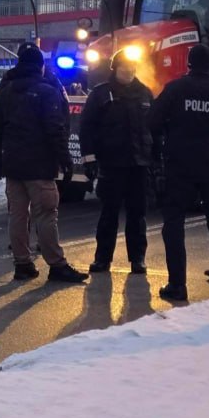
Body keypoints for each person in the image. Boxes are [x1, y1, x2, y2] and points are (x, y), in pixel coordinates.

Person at [0, 43, 88, 283]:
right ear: (40, 67)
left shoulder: (6, 90)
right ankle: (56, 264)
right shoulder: (47, 91)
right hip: (39, 165)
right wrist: (66, 161)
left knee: (18, 215)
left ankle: (22, 263)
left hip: (13, 164)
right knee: (46, 214)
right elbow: (56, 129)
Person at [148, 43, 209, 301]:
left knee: (174, 225)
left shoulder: (176, 89)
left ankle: (178, 285)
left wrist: (168, 137)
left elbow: (152, 122)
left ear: (189, 62)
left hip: (179, 165)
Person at [80, 50, 153, 275]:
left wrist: (156, 158)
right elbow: (87, 128)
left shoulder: (145, 94)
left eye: (132, 69)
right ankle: (102, 259)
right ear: (115, 69)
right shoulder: (101, 95)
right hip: (111, 164)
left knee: (137, 215)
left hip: (139, 164)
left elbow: (156, 128)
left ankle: (138, 259)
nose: (129, 73)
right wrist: (90, 159)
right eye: (124, 69)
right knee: (109, 214)